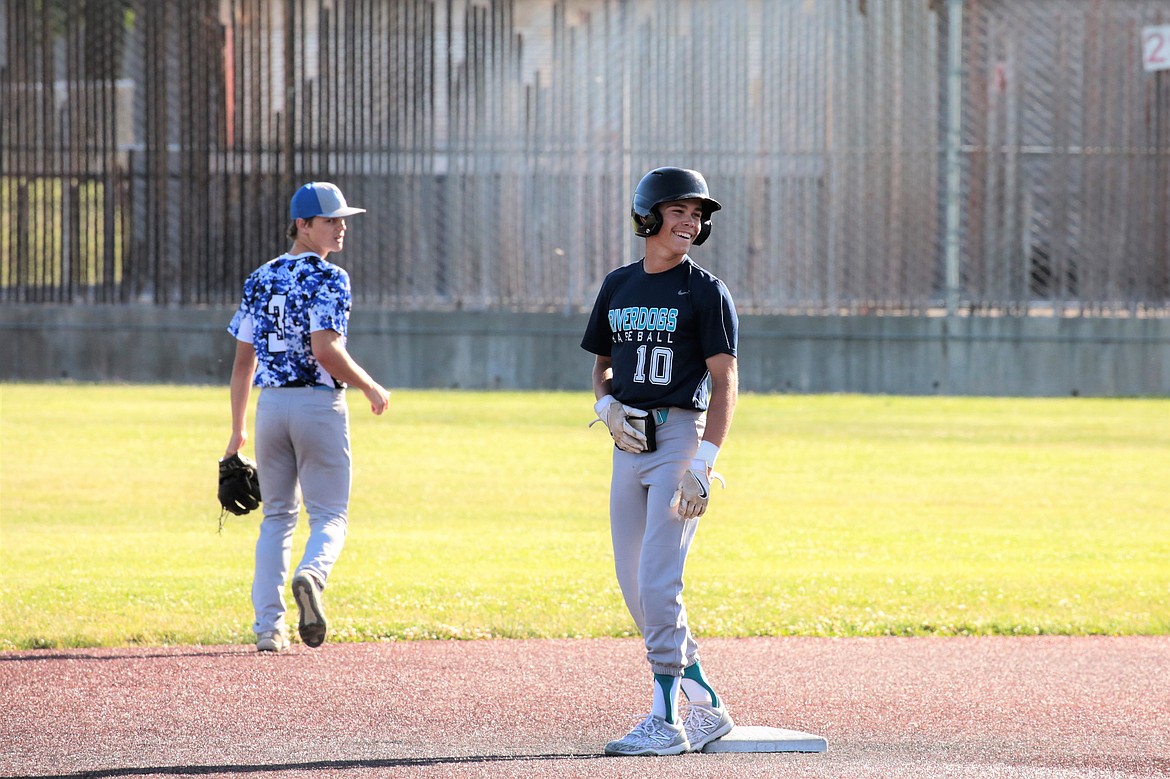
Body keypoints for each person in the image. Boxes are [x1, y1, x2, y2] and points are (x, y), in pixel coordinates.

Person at [581, 166, 740, 756]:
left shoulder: (705, 290)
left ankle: (665, 718)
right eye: (679, 211)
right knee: (636, 588)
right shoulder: (618, 284)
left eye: (697, 215)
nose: (690, 223)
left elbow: (725, 382)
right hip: (629, 445)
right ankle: (706, 702)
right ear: (648, 216)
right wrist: (604, 404)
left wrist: (703, 461)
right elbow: (599, 364)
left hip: (679, 439)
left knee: (659, 577)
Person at [223, 181, 391, 653]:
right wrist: (369, 386)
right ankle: (311, 576)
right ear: (303, 225)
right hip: (318, 404)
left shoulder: (260, 277)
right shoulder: (329, 277)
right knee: (330, 516)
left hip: (270, 407)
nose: (341, 228)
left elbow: (242, 362)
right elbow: (325, 348)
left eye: (342, 220)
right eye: (330, 220)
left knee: (276, 517)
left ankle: (268, 629)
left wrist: (237, 429)